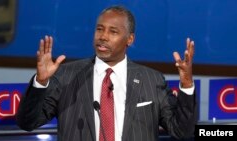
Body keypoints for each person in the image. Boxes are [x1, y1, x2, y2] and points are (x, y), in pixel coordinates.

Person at [16, 5, 197, 141]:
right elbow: (28, 123)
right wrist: (40, 82)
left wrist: (187, 84)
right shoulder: (67, 75)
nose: (103, 36)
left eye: (113, 31)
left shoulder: (151, 80)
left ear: (130, 39)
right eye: (99, 29)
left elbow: (182, 131)